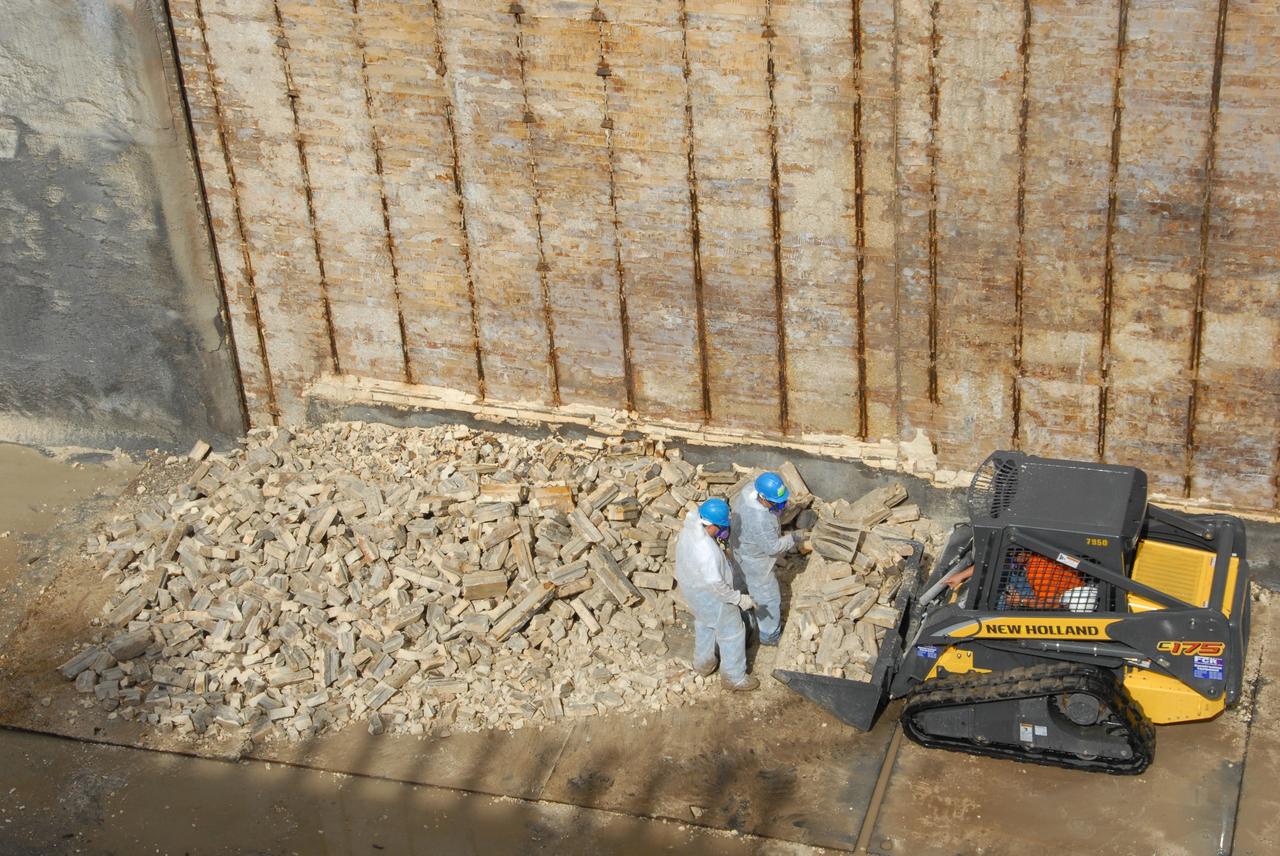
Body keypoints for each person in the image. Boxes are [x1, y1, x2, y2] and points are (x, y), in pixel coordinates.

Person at [674, 498, 759, 691]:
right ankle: (733, 677)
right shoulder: (707, 552)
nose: (723, 531)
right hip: (713, 597)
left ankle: (703, 664)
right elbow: (717, 585)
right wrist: (738, 599)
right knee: (733, 633)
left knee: (705, 624)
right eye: (721, 527)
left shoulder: (689, 529)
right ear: (711, 526)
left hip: (693, 591)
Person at [728, 471, 810, 647]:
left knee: (739, 580)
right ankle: (769, 635)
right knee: (768, 598)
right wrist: (793, 538)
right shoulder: (760, 519)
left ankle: (736, 605)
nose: (781, 506)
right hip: (755, 561)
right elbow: (771, 547)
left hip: (738, 546)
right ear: (763, 498)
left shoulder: (749, 490)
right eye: (777, 503)